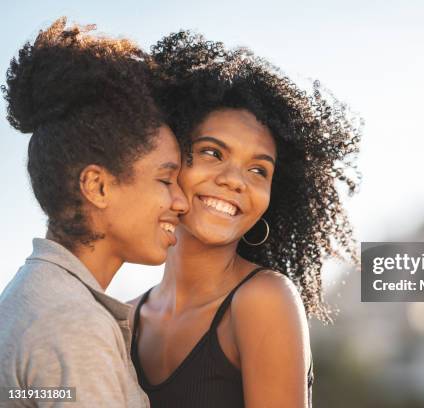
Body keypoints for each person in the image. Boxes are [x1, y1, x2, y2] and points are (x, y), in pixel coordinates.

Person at [130, 31, 361, 407]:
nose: (234, 181)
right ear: (170, 158)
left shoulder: (263, 299)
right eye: (212, 153)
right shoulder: (123, 319)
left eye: (258, 171)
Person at [0, 18, 188, 407]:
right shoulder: (72, 324)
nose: (182, 201)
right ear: (98, 187)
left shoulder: (38, 296)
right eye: (166, 180)